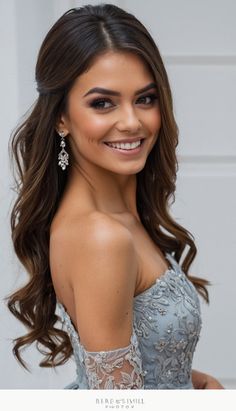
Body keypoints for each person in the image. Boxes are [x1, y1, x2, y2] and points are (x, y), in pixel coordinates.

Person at [6, 4, 224, 389]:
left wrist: (198, 386)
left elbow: (142, 366)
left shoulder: (117, 216)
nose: (131, 121)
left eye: (145, 98)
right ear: (60, 117)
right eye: (102, 103)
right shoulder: (100, 237)